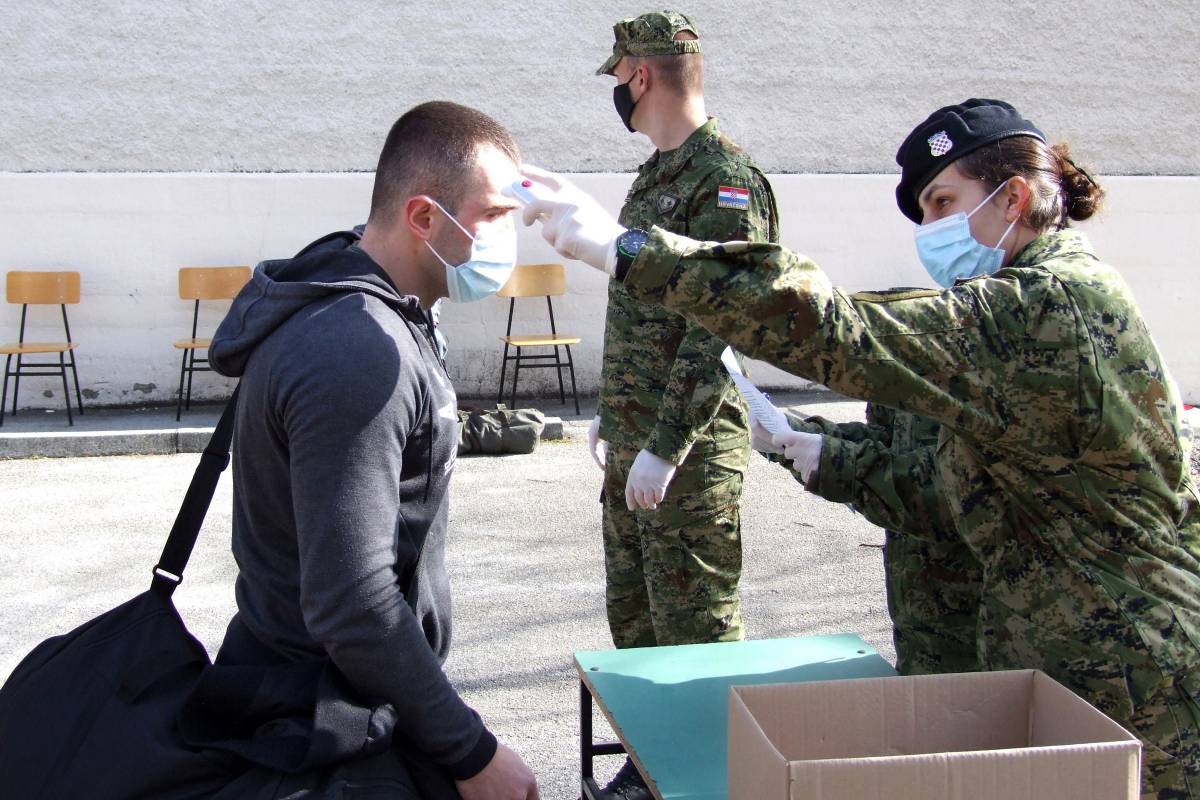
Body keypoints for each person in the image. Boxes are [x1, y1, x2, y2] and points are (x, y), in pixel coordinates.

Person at [521, 99, 1200, 797]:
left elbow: (838, 329)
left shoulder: (1052, 305)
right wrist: (819, 448)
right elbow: (944, 491)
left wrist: (628, 250)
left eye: (943, 202)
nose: (931, 230)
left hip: (1134, 682)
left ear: (1014, 196)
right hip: (1066, 668)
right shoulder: (1021, 313)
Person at [204, 101, 539, 799]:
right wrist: (471, 753)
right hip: (328, 730)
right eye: (495, 216)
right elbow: (352, 603)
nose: (508, 239)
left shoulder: (377, 313)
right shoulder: (357, 348)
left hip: (349, 705)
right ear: (424, 218)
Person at [589, 12, 779, 797]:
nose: (618, 94)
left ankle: (711, 778)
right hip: (636, 436)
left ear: (640, 75)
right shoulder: (655, 176)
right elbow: (644, 311)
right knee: (635, 623)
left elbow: (718, 332)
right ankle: (651, 763)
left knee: (695, 630)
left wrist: (666, 445)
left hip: (689, 457)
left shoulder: (726, 183)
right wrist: (615, 411)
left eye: (618, 78)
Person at [753, 401, 983, 675]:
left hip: (990, 643)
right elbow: (891, 443)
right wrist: (796, 435)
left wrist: (832, 462)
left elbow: (957, 495)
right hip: (925, 631)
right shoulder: (915, 363)